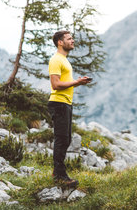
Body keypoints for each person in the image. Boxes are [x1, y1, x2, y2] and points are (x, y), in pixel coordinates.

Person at [48, 30, 92, 187]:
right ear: (60, 42)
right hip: (58, 103)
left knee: (65, 139)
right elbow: (56, 84)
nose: (72, 41)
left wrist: (77, 81)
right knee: (61, 139)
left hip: (66, 103)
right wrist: (77, 83)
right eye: (69, 39)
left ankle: (58, 172)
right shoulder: (56, 60)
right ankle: (59, 175)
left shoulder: (65, 60)